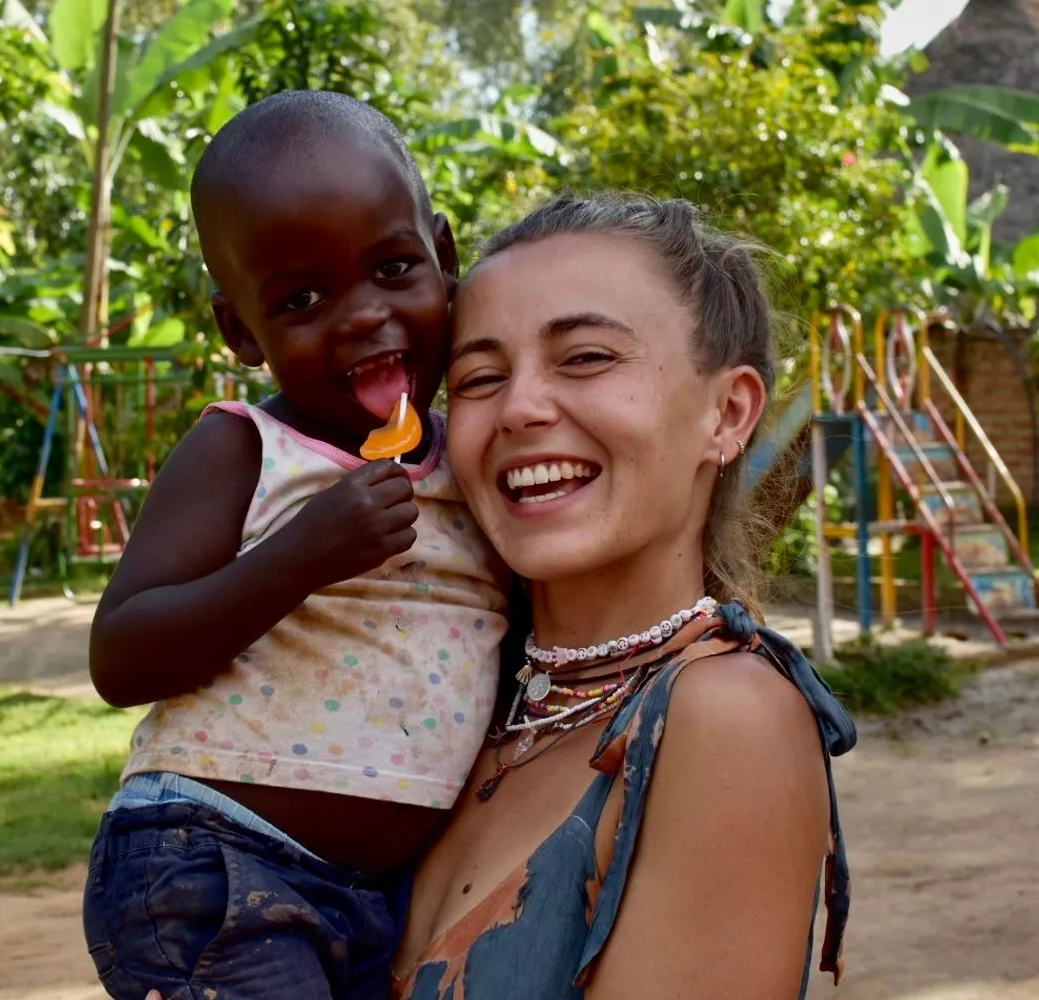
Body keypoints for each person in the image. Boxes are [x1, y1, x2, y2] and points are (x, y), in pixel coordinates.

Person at [82, 91, 510, 1000]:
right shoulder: (241, 448)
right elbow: (121, 655)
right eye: (303, 298)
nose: (362, 315)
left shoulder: (473, 453)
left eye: (394, 267)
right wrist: (302, 554)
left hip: (382, 902)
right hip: (217, 864)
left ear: (443, 257)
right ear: (241, 331)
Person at [391, 193, 857, 999]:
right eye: (478, 377)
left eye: (586, 359)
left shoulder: (722, 721)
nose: (520, 408)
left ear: (728, 411)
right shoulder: (454, 704)